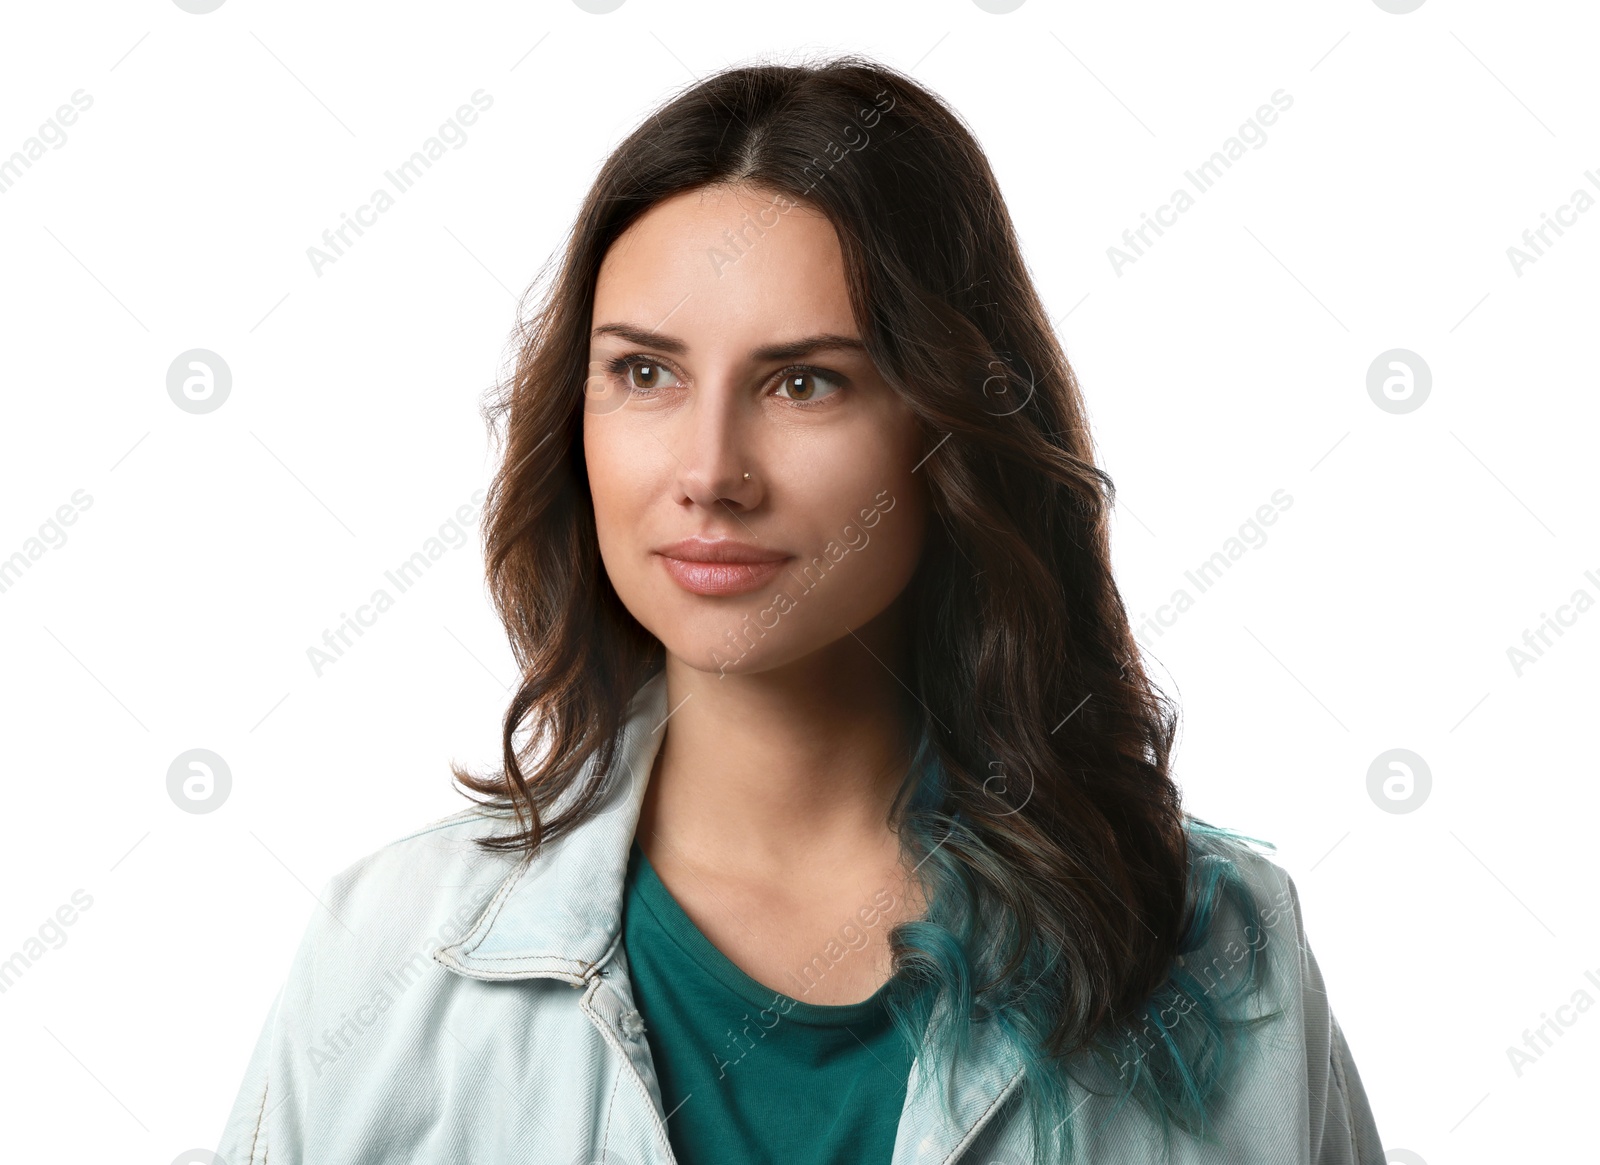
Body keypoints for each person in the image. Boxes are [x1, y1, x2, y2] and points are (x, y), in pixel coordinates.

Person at [217, 53, 1384, 1164]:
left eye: (803, 381)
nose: (710, 469)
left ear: (947, 433)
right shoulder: (389, 953)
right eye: (644, 372)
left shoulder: (1220, 946)